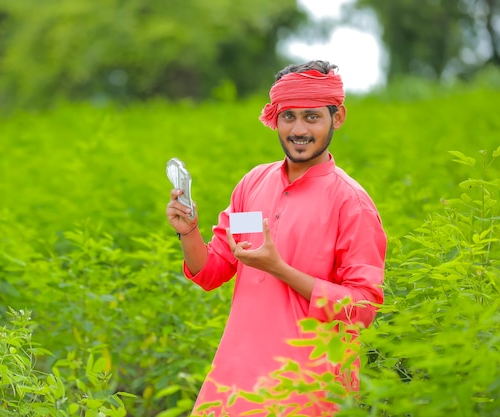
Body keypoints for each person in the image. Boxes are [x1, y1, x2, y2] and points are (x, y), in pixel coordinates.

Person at [166, 60, 387, 416]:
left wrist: (279, 268)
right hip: (233, 383)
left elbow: (361, 309)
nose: (298, 129)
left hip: (307, 389)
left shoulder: (352, 203)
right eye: (288, 117)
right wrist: (188, 230)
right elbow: (210, 272)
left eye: (312, 117)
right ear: (275, 119)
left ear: (338, 117)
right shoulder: (253, 182)